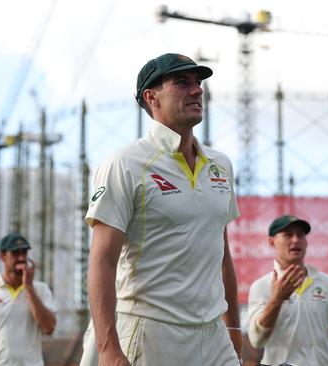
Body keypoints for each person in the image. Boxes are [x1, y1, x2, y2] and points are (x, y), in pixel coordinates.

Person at [80, 53, 242, 366]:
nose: (197, 90)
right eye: (182, 82)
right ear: (150, 97)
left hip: (213, 338)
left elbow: (222, 254)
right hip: (150, 332)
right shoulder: (124, 164)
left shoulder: (221, 165)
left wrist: (233, 328)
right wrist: (107, 348)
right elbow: (101, 261)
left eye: (198, 83)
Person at [247, 215, 328, 366]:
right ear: (272, 242)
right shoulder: (261, 286)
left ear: (306, 243)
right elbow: (257, 340)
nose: (295, 240)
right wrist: (277, 299)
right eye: (288, 235)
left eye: (300, 235)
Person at [0, 233, 57, 366]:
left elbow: (49, 328)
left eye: (24, 253)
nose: (21, 258)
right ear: (2, 256)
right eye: (15, 253)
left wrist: (29, 288)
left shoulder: (41, 290)